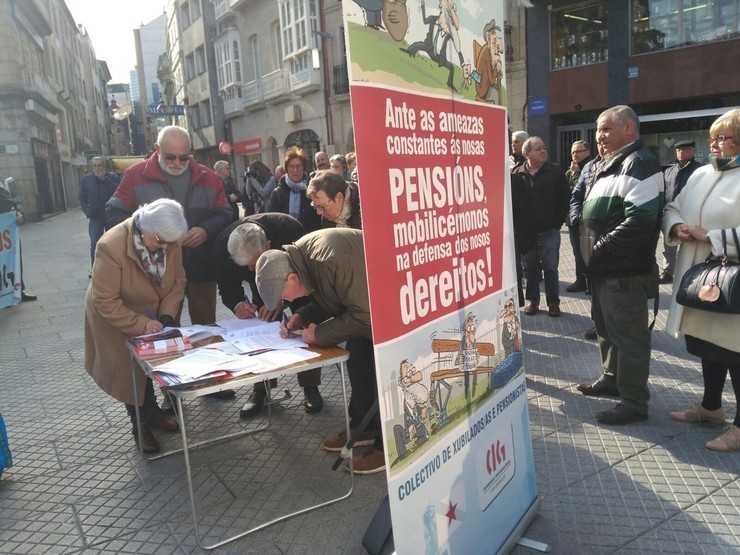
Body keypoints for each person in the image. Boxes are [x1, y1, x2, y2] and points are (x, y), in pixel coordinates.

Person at [106, 126, 234, 401]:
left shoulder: (208, 177)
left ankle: (212, 381)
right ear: (157, 149)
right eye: (170, 156)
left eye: (183, 157)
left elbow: (226, 212)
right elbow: (113, 211)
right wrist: (141, 239)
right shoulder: (136, 175)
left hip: (200, 265)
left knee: (206, 326)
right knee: (165, 329)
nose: (177, 163)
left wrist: (206, 230)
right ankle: (171, 392)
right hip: (157, 272)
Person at [255, 228, 384, 475]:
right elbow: (331, 296)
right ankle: (363, 428)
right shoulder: (304, 259)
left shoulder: (329, 258)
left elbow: (364, 314)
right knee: (358, 365)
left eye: (285, 297)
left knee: (381, 373)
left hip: (388, 307)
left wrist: (319, 335)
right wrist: (302, 316)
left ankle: (387, 447)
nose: (289, 301)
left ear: (292, 279)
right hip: (368, 309)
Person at [575, 105, 664, 425]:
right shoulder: (609, 163)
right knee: (607, 331)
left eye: (606, 129)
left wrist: (597, 250)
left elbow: (640, 220)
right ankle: (612, 380)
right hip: (603, 269)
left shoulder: (638, 163)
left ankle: (634, 401)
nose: (600, 136)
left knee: (629, 338)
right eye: (598, 131)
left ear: (629, 128)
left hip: (623, 271)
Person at [662, 109, 740, 452]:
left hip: (733, 281)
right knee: (709, 344)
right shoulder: (701, 175)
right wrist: (677, 227)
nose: (715, 145)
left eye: (723, 137)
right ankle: (711, 408)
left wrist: (713, 237)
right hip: (701, 279)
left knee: (736, 351)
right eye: (713, 138)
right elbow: (672, 207)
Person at [84, 199, 187, 453]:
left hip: (153, 310)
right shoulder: (111, 246)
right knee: (129, 371)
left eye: (170, 242)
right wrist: (141, 323)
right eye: (161, 241)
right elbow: (105, 300)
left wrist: (166, 316)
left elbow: (178, 280)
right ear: (146, 229)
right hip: (117, 314)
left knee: (152, 364)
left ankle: (152, 413)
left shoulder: (168, 238)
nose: (167, 246)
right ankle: (139, 426)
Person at [214, 213, 323, 417]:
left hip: (298, 286)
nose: (249, 270)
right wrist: (237, 304)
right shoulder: (222, 246)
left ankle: (311, 387)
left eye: (253, 264)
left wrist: (283, 301)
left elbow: (309, 276)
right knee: (260, 330)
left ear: (268, 246)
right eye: (243, 266)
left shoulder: (290, 231)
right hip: (259, 295)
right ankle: (260, 390)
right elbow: (226, 286)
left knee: (306, 324)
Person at [511, 136, 570, 317]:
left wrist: (556, 222)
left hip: (549, 231)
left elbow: (564, 199)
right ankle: (533, 301)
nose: (543, 151)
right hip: (526, 233)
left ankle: (553, 303)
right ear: (526, 153)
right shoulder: (516, 173)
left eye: (544, 147)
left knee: (550, 267)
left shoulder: (555, 171)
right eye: (538, 149)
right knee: (529, 268)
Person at [659, 140, 703, 284]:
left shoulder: (700, 170)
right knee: (669, 246)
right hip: (672, 213)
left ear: (693, 151)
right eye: (679, 150)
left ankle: (693, 271)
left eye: (686, 149)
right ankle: (668, 271)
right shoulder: (669, 171)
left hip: (693, 213)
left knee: (691, 244)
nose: (682, 152)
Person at [79, 157, 119, 273]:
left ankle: (114, 268)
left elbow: (118, 191)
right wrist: (86, 210)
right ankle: (95, 269)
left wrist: (104, 179)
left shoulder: (112, 177)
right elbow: (82, 196)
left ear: (104, 166)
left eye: (100, 165)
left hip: (110, 215)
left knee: (113, 243)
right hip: (95, 216)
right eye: (95, 166)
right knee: (95, 242)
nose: (97, 168)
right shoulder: (86, 179)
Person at [267, 148, 322, 232]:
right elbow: (272, 221)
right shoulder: (278, 193)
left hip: (310, 238)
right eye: (291, 166)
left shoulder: (313, 190)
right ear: (286, 169)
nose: (295, 170)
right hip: (286, 239)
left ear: (304, 168)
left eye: (299, 166)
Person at [565, 141, 595, 293]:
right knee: (577, 251)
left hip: (588, 219)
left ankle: (590, 282)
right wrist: (572, 173)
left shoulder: (592, 167)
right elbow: (567, 192)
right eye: (572, 152)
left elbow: (583, 193)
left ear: (588, 152)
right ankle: (581, 280)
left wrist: (576, 173)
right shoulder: (571, 170)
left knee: (588, 251)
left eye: (578, 151)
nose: (575, 155)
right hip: (573, 219)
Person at [0, 177, 36, 301]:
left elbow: (12, 206)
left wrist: (20, 216)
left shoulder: (3, 186)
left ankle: (18, 291)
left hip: (8, 234)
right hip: (5, 233)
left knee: (14, 262)